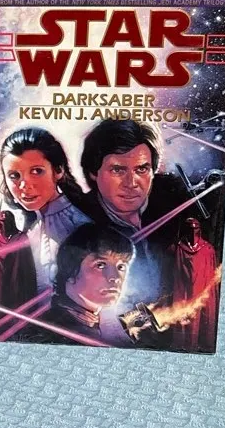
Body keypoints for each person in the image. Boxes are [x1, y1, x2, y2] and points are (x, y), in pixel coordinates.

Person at [79, 119, 190, 302]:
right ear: (93, 172)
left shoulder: (178, 204)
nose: (131, 183)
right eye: (118, 170)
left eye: (142, 169)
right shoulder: (76, 219)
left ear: (153, 171)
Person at [0, 127, 92, 295]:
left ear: (58, 170)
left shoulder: (79, 227)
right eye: (14, 176)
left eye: (36, 171)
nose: (25, 186)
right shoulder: (27, 224)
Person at [37, 224, 135, 346]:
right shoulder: (50, 332)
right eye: (100, 265)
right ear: (71, 270)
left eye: (121, 267)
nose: (115, 278)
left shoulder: (101, 325)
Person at [167, 217, 220, 351]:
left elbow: (211, 273)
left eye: (195, 229)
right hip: (183, 290)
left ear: (199, 230)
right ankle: (182, 344)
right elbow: (167, 263)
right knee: (183, 315)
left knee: (199, 315)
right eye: (190, 229)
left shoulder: (208, 249)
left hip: (201, 290)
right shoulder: (177, 247)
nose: (193, 232)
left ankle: (199, 344)